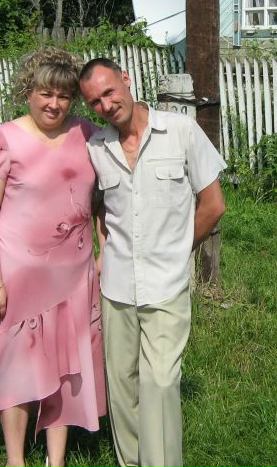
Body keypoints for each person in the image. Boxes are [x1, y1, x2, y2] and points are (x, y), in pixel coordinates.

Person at [0, 48, 106, 467]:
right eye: (45, 94)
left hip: (73, 277)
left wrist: (104, 252)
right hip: (19, 277)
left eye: (63, 96)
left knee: (66, 367)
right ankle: (15, 459)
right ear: (28, 92)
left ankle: (56, 459)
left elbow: (104, 202)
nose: (54, 104)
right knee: (16, 368)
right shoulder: (5, 141)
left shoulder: (89, 136)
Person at [78, 58, 226, 467]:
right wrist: (102, 250)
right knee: (122, 385)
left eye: (109, 92)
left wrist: (180, 250)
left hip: (166, 285)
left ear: (126, 80)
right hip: (117, 287)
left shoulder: (180, 131)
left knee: (160, 383)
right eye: (95, 102)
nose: (106, 105)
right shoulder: (96, 148)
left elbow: (213, 204)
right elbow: (97, 207)